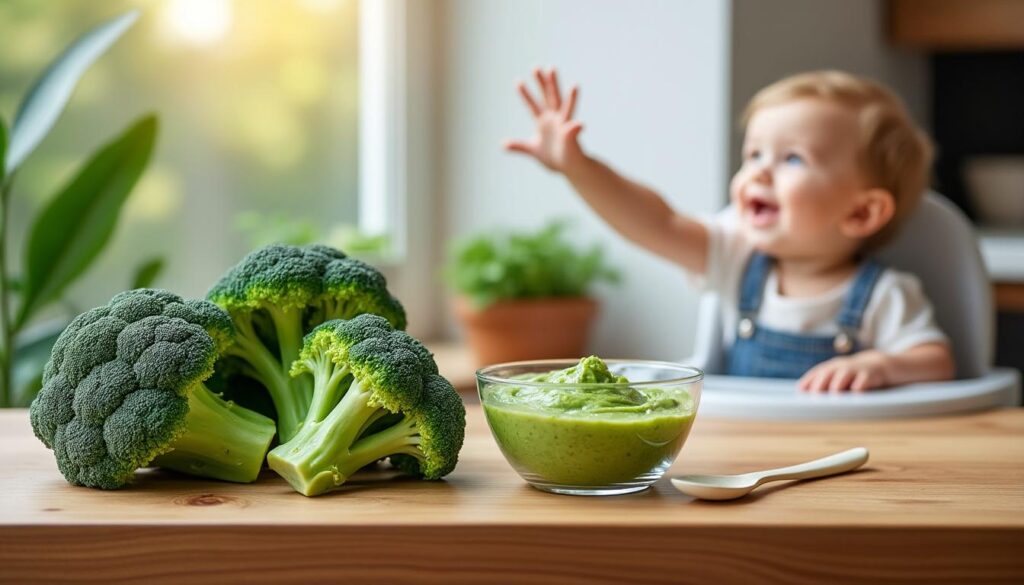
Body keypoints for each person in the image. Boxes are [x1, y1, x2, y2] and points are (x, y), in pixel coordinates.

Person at [505, 68, 955, 393]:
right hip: (736, 450)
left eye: (791, 159)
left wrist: (880, 365)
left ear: (861, 214)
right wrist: (578, 168)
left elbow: (936, 360)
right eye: (754, 154)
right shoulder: (735, 256)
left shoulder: (884, 294)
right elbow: (655, 222)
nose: (758, 173)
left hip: (837, 456)